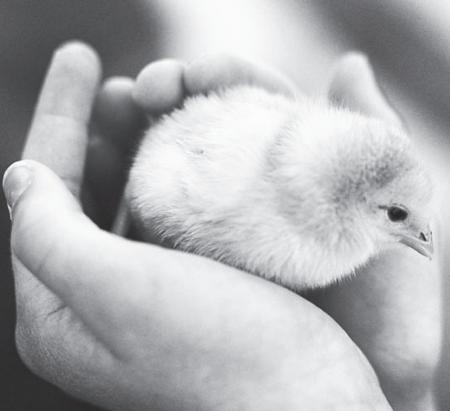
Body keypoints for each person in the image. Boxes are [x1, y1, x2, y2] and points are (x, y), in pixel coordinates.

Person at [2, 42, 441, 410]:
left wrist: (374, 383)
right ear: (342, 202)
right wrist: (392, 393)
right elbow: (159, 181)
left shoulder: (324, 238)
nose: (426, 236)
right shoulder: (272, 215)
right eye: (397, 214)